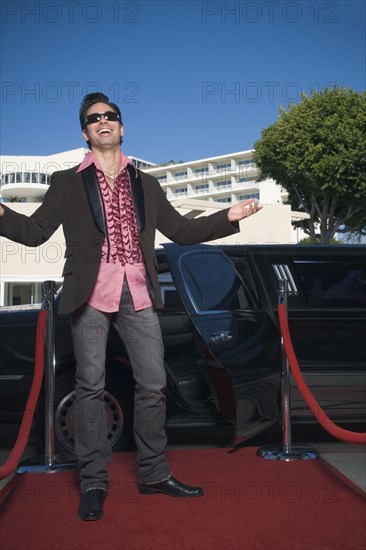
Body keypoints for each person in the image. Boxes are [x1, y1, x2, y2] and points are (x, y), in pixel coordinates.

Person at [0, 93, 262, 521]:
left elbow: (181, 230)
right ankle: (93, 480)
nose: (103, 122)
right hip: (89, 291)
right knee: (89, 386)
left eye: (110, 116)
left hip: (137, 291)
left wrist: (227, 217)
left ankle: (154, 472)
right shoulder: (67, 182)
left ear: (121, 128)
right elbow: (34, 232)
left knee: (154, 383)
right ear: (86, 132)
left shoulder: (148, 184)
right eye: (93, 118)